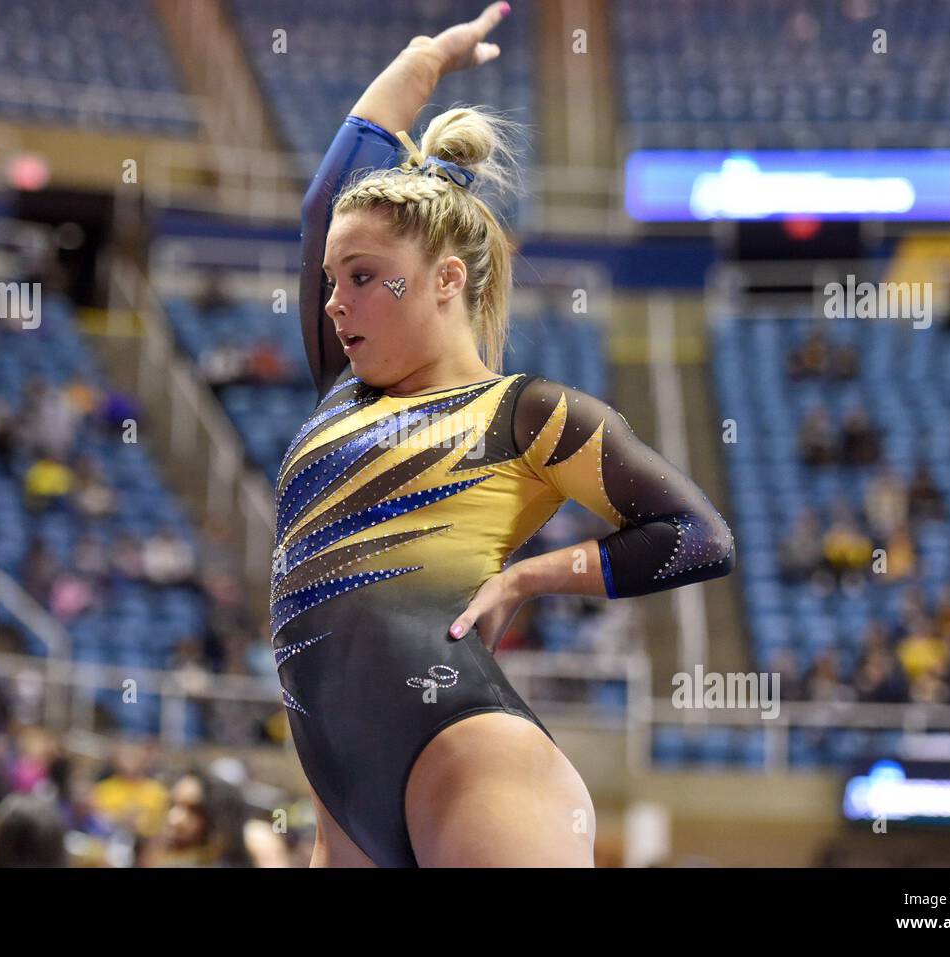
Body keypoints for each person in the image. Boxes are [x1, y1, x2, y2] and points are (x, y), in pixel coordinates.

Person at [274, 2, 734, 867]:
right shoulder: (344, 390)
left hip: (475, 762)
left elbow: (697, 536)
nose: (334, 300)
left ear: (447, 279)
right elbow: (319, 210)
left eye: (365, 277)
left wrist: (531, 574)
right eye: (333, 278)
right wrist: (422, 61)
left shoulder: (525, 413)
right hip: (344, 800)